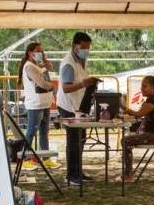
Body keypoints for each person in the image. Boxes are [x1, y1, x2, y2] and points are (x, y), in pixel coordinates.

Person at [55, 32, 101, 186]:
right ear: (75, 46)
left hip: (78, 106)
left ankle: (78, 171)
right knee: (73, 141)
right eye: (83, 47)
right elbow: (66, 88)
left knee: (81, 139)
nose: (86, 50)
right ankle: (71, 175)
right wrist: (84, 83)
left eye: (88, 47)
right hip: (68, 106)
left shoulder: (82, 60)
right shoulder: (68, 63)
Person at [118, 74, 154, 183]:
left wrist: (123, 107)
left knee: (125, 141)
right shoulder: (151, 99)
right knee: (127, 139)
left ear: (153, 88)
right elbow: (140, 117)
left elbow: (138, 114)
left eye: (145, 86)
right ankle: (128, 173)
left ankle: (128, 174)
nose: (142, 88)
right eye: (142, 86)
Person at [17, 42, 60, 171]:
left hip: (45, 103)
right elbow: (41, 83)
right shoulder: (29, 67)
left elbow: (50, 69)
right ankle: (25, 159)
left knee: (44, 132)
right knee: (31, 132)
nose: (40, 53)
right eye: (37, 51)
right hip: (35, 105)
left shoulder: (38, 64)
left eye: (42, 51)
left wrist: (45, 61)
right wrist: (53, 87)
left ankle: (46, 159)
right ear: (30, 53)